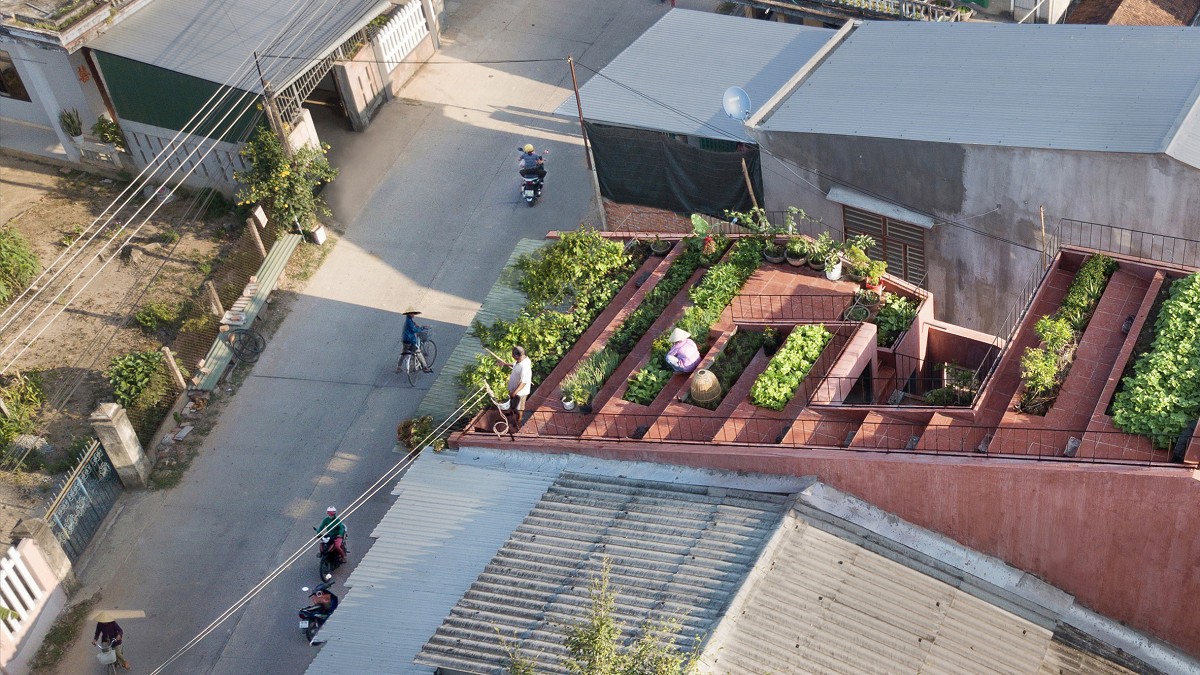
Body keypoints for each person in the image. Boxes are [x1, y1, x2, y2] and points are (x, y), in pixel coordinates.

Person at [495, 345, 532, 429]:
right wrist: (505, 364)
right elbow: (515, 366)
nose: (511, 355)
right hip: (514, 389)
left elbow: (524, 382)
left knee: (520, 408)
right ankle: (512, 412)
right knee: (514, 404)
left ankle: (519, 421)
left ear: (516, 356)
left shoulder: (524, 367)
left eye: (512, 354)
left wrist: (514, 393)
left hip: (520, 392)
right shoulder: (521, 360)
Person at [398, 307, 432, 374]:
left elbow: (414, 326)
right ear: (410, 313)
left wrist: (418, 326)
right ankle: (425, 367)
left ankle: (398, 367)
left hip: (405, 340)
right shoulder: (409, 321)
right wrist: (421, 329)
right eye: (413, 313)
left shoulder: (409, 320)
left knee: (404, 353)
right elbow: (414, 330)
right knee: (418, 352)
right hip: (410, 340)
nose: (414, 314)